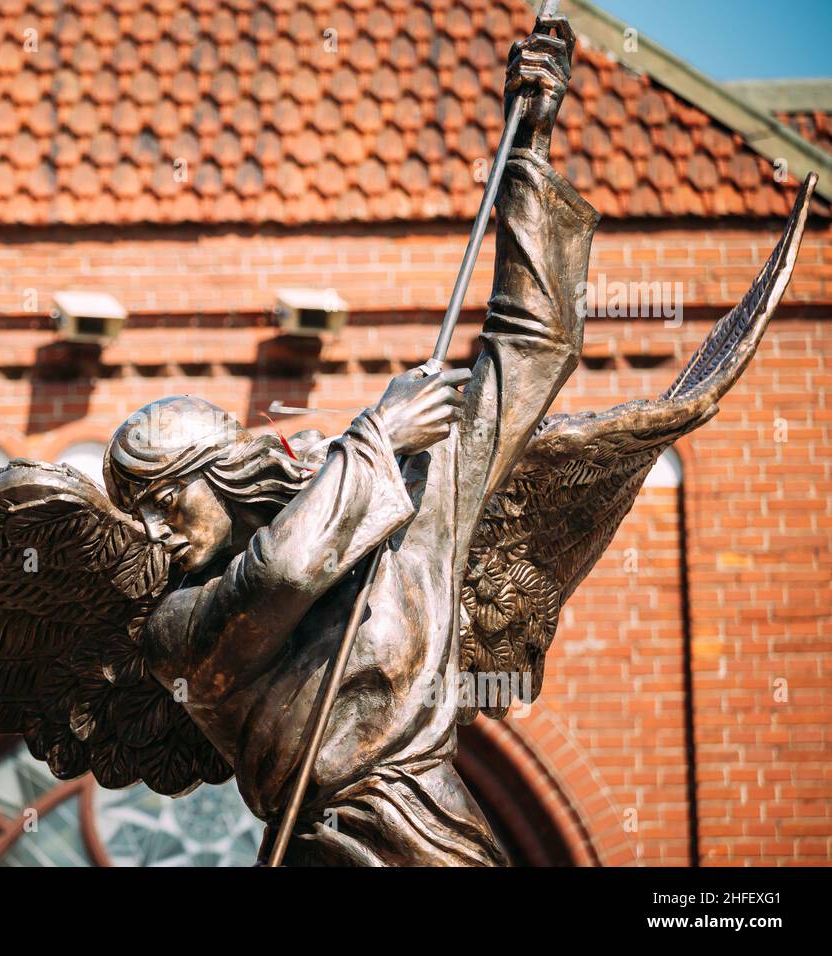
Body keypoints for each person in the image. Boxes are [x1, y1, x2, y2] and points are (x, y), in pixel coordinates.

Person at [103, 14, 597, 865]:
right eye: (134, 511)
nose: (150, 529)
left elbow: (533, 346)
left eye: (162, 500)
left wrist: (531, 154)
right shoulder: (173, 632)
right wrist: (377, 436)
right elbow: (285, 574)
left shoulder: (416, 507)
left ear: (220, 476)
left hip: (444, 843)